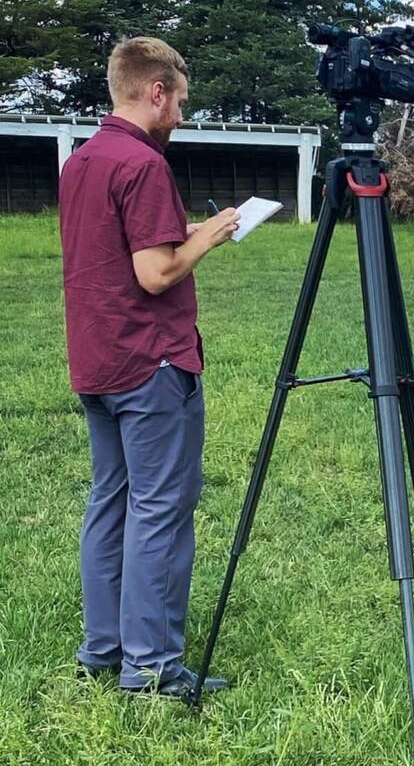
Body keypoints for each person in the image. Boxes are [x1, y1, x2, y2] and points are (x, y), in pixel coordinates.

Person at [58, 37, 240, 696]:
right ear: (155, 91)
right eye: (180, 103)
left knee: (111, 502)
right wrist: (211, 234)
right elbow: (155, 271)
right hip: (149, 361)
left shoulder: (82, 161)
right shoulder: (142, 164)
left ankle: (103, 648)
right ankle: (153, 668)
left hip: (96, 358)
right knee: (161, 508)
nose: (182, 118)